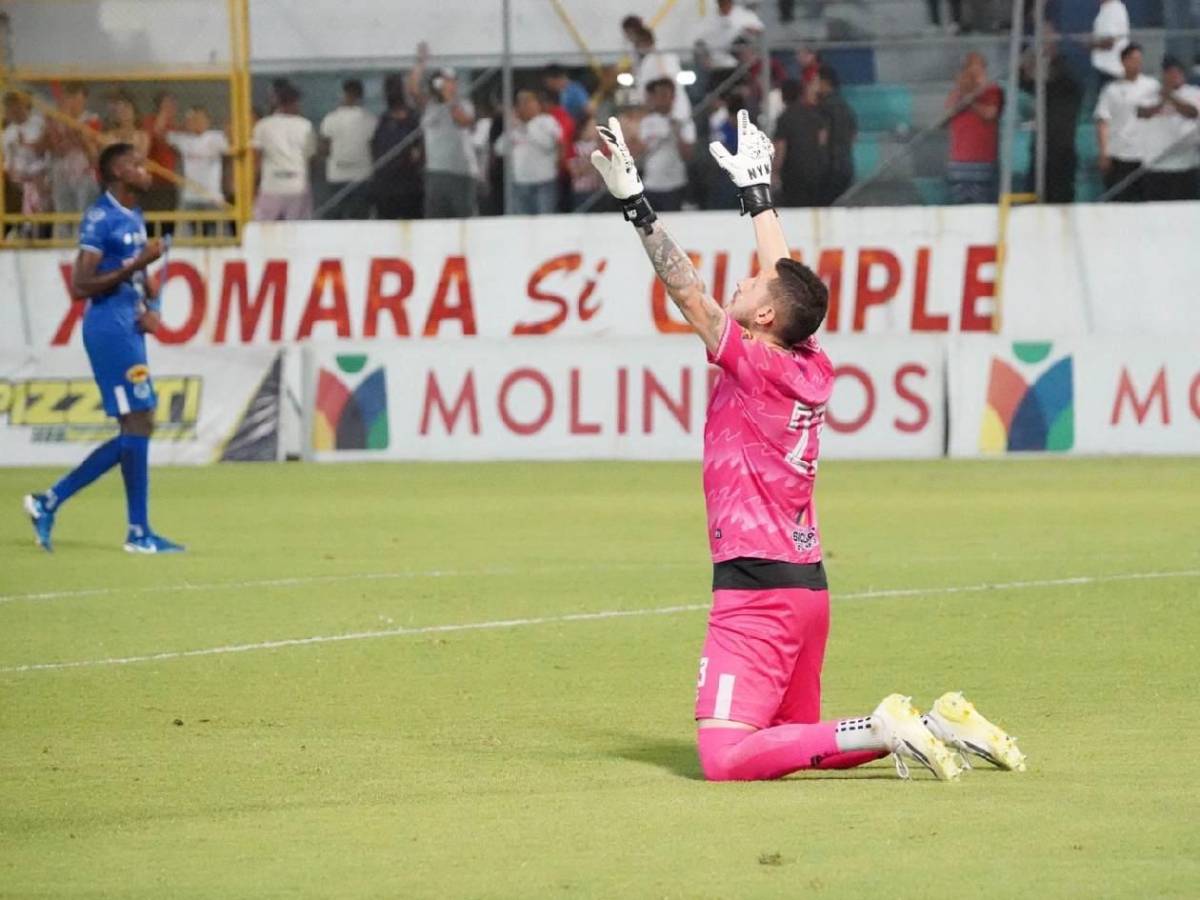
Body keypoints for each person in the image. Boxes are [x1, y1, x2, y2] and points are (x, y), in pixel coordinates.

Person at [587, 109, 1026, 782]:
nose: (741, 281)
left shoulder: (754, 362)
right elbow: (786, 277)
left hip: (756, 588)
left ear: (764, 316)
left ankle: (881, 725)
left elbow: (690, 296)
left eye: (750, 285)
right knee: (798, 739)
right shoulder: (809, 359)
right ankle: (940, 726)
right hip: (806, 588)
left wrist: (636, 206)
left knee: (725, 758)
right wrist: (757, 194)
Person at [24, 143, 183, 555]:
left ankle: (60, 505)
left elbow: (134, 275)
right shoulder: (100, 218)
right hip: (108, 329)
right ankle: (129, 529)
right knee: (139, 422)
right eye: (135, 164)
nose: (145, 169)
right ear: (116, 173)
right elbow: (80, 285)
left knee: (139, 424)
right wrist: (138, 264)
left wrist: (148, 302)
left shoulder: (133, 214)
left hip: (128, 325)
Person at [408, 44, 478, 218]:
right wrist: (420, 62)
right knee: (435, 219)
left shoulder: (463, 104)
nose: (448, 84)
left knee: (463, 219)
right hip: (435, 172)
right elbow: (413, 91)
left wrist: (449, 99)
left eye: (451, 81)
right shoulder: (429, 105)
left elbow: (463, 121)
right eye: (444, 80)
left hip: (460, 173)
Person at [1019, 30, 1083, 203]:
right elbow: (1023, 78)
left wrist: (1050, 53)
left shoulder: (1070, 87)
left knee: (1061, 197)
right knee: (1035, 196)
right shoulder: (1043, 90)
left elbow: (1061, 77)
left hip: (1062, 149)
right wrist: (1032, 54)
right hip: (1041, 148)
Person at [1095, 43, 1159, 201]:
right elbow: (1103, 121)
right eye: (1132, 59)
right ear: (1123, 61)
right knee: (1119, 201)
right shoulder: (1111, 89)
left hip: (1146, 155)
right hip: (1119, 154)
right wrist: (1104, 153)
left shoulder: (1152, 86)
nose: (1137, 63)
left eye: (1139, 59)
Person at [251, 81, 316, 220]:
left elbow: (256, 159)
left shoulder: (263, 126)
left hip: (271, 186)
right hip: (297, 186)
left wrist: (253, 186)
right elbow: (310, 157)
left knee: (265, 227)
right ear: (295, 102)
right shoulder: (305, 126)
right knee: (297, 228)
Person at [1138, 56, 1200, 201]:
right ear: (1163, 75)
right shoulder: (1150, 93)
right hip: (1155, 165)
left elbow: (1192, 112)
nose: (1174, 76)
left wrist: (1171, 97)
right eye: (1170, 73)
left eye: (1177, 73)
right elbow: (1142, 113)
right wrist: (1162, 99)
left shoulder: (1194, 92)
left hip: (1186, 165)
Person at [629, 78, 695, 212]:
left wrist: (677, 132)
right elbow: (636, 154)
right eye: (658, 95)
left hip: (675, 185)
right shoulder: (646, 122)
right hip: (650, 183)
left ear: (673, 97)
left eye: (665, 94)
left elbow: (688, 155)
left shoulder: (684, 122)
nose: (661, 99)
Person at [945, 52, 1004, 203]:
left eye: (980, 67)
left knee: (984, 207)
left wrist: (970, 101)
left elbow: (990, 113)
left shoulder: (992, 91)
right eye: (971, 67)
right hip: (959, 162)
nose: (976, 71)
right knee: (960, 206)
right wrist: (963, 92)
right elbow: (947, 113)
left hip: (984, 161)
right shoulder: (957, 93)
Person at [43, 82, 101, 231]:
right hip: (62, 170)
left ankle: (83, 241)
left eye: (78, 97)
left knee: (84, 212)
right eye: (70, 97)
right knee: (63, 212)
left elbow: (89, 146)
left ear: (84, 99)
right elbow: (56, 147)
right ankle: (62, 242)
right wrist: (54, 124)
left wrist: (72, 126)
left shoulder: (91, 118)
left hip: (84, 170)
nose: (74, 101)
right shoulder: (57, 119)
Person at [319, 79, 378, 219]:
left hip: (336, 176)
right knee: (360, 221)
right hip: (362, 177)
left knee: (336, 221)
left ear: (343, 94)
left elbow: (324, 150)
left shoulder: (330, 118)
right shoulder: (371, 119)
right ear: (361, 96)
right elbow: (375, 149)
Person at [167, 105, 230, 235]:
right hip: (189, 196)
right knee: (182, 237)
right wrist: (183, 125)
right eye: (193, 119)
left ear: (208, 121)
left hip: (213, 196)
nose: (197, 122)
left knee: (221, 237)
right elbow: (159, 132)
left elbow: (230, 150)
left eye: (200, 118)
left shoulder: (216, 137)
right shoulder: (182, 139)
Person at [371, 73, 424, 219]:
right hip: (387, 186)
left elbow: (420, 152)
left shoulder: (414, 119)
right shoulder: (383, 120)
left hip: (409, 186)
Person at [502, 89, 561, 216]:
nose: (525, 106)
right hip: (520, 183)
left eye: (528, 102)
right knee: (521, 223)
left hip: (543, 182)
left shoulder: (547, 121)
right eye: (521, 103)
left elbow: (548, 145)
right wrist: (510, 129)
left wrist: (528, 126)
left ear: (537, 104)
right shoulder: (514, 127)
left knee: (545, 221)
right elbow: (499, 149)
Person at [773, 79, 827, 208]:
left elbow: (780, 148)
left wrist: (775, 172)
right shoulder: (815, 116)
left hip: (793, 173)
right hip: (815, 172)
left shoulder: (784, 118)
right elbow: (822, 141)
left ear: (783, 96)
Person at [3, 91, 48, 235]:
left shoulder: (39, 123)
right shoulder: (6, 134)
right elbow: (8, 166)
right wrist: (17, 177)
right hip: (20, 181)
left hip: (43, 175)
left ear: (24, 104)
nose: (14, 110)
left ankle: (36, 229)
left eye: (16, 105)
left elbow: (45, 151)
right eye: (10, 107)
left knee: (36, 186)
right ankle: (25, 230)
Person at [815, 65, 857, 205]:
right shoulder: (846, 107)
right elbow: (853, 135)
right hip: (846, 164)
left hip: (829, 167)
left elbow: (822, 136)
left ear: (825, 82)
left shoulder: (824, 107)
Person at [692, 0, 764, 70]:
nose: (724, 3)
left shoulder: (745, 15)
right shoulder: (709, 18)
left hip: (740, 65)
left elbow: (759, 30)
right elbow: (699, 40)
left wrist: (749, 31)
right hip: (713, 64)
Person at [141, 92, 180, 219]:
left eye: (173, 105)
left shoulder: (175, 127)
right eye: (167, 105)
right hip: (151, 180)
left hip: (168, 180)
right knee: (150, 220)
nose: (171, 109)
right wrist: (162, 116)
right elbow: (156, 135)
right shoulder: (148, 122)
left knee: (167, 221)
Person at [1090, 0, 1131, 91]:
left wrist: (1090, 44)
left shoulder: (1113, 10)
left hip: (1110, 70)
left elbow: (1109, 42)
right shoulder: (1106, 9)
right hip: (1104, 69)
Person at [102, 92, 150, 157]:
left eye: (127, 107)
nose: (125, 112)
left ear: (134, 110)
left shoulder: (142, 137)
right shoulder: (107, 137)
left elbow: (140, 158)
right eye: (120, 109)